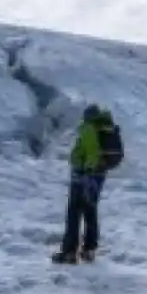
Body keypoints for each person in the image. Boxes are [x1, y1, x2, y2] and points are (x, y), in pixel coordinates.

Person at [51, 105, 118, 264]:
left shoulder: (89, 128)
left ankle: (69, 252)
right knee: (90, 210)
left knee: (74, 212)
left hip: (85, 176)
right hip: (98, 175)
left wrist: (86, 172)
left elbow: (92, 151)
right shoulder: (104, 128)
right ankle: (89, 249)